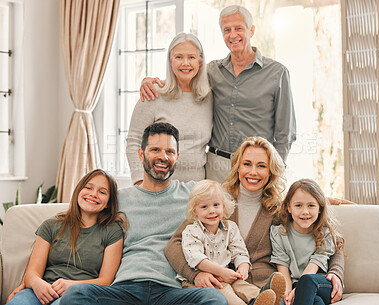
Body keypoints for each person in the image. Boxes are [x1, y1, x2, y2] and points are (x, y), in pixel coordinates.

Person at [59, 122, 227, 305]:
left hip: (172, 291)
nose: (163, 157)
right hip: (124, 290)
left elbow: (228, 202)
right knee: (75, 294)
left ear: (177, 157)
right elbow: (83, 217)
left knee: (214, 298)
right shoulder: (118, 199)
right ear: (141, 154)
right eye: (155, 149)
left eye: (169, 152)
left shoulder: (194, 195)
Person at [165, 137, 345, 305]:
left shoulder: (278, 208)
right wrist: (195, 274)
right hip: (225, 284)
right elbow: (175, 244)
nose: (253, 172)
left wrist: (335, 273)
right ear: (237, 167)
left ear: (270, 171)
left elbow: (329, 238)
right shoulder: (216, 203)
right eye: (247, 164)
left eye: (261, 166)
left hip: (267, 287)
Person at [140, 5, 296, 183]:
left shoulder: (277, 73)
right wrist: (151, 81)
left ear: (251, 31)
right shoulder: (212, 71)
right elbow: (185, 74)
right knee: (215, 211)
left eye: (238, 28)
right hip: (216, 167)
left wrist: (275, 171)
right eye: (227, 30)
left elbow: (286, 133)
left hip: (257, 167)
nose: (232, 35)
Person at [6, 169, 126, 305]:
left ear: (109, 203)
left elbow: (106, 281)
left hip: (78, 294)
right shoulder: (51, 225)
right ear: (79, 191)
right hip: (42, 290)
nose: (93, 194)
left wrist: (71, 285)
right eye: (88, 187)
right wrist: (36, 283)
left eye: (102, 192)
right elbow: (32, 272)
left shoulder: (112, 231)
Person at [126, 32, 212, 185]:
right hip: (157, 186)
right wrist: (139, 180)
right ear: (170, 61)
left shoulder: (208, 97)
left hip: (196, 189)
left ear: (200, 61)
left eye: (191, 57)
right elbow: (134, 141)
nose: (185, 63)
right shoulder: (153, 93)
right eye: (179, 57)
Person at [181, 179, 276, 305]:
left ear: (223, 206)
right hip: (203, 280)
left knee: (244, 287)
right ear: (195, 211)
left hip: (226, 275)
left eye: (216, 205)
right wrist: (220, 272)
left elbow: (239, 251)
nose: (211, 211)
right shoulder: (191, 231)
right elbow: (196, 258)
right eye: (204, 207)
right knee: (230, 295)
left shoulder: (230, 227)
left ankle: (267, 297)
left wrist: (243, 267)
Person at [270, 179, 344, 305]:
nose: (305, 211)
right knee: (316, 302)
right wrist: (288, 293)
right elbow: (282, 267)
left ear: (320, 208)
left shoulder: (325, 233)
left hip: (321, 283)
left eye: (311, 205)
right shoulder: (279, 233)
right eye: (298, 205)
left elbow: (314, 265)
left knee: (308, 281)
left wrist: (298, 290)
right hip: (297, 286)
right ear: (288, 207)